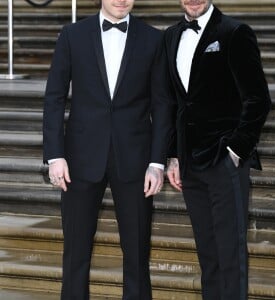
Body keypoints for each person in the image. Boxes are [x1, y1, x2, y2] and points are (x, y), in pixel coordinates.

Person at [43, 0, 172, 298]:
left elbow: (163, 105)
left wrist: (157, 162)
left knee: (138, 255)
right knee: (75, 253)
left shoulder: (154, 39)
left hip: (136, 162)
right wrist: (55, 155)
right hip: (79, 161)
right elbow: (54, 98)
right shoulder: (72, 35)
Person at [164, 0, 271, 299]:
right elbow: (175, 103)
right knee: (208, 253)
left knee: (229, 252)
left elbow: (258, 99)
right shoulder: (171, 36)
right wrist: (173, 155)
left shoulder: (235, 32)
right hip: (189, 163)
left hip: (224, 161)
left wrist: (237, 149)